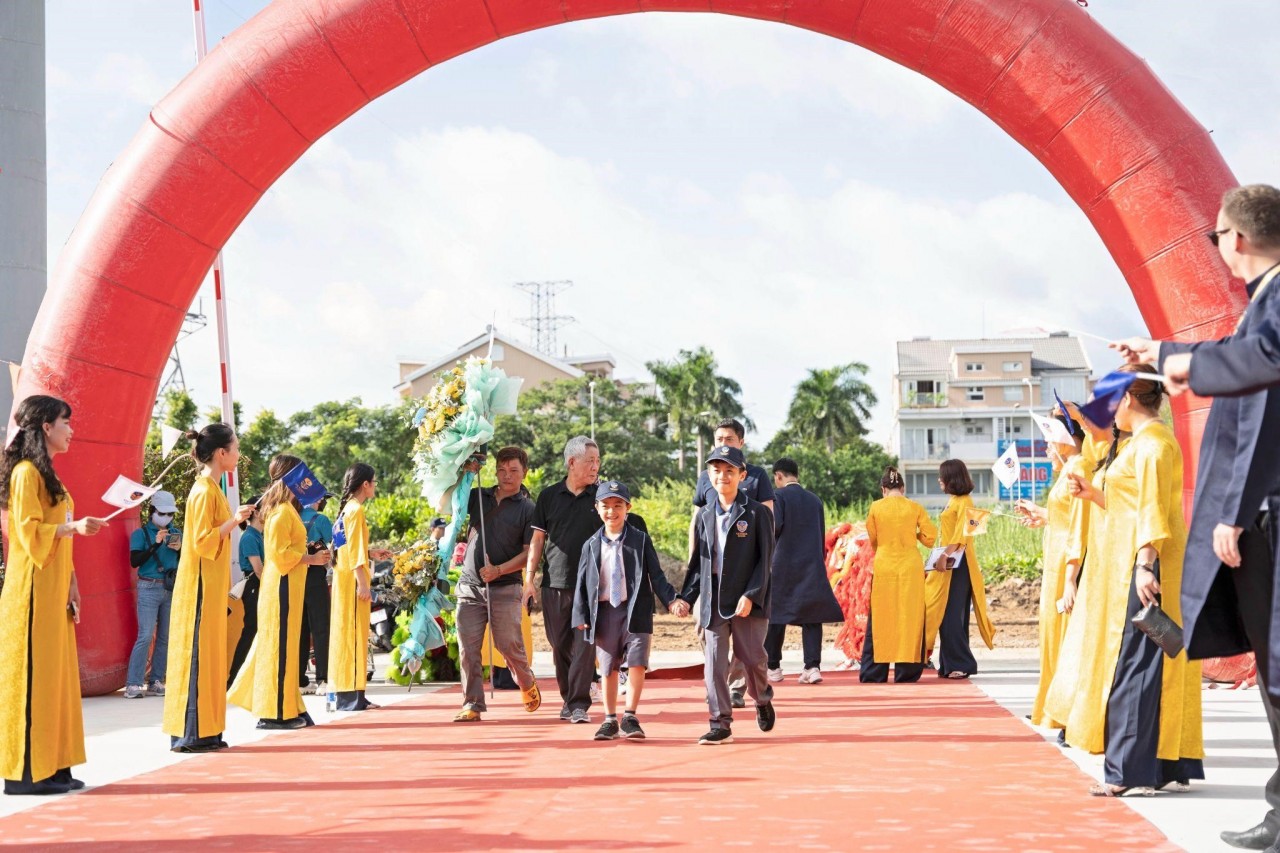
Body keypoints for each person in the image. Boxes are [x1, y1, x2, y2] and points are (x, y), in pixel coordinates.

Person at [1062, 365, 1204, 796]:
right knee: (1153, 660)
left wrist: (1145, 564)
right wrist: (1093, 494)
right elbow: (1135, 504)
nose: (1110, 413)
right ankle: (1163, 763)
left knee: (1138, 663)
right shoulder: (1144, 445)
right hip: (1142, 559)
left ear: (1128, 399)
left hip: (1147, 563)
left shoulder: (1154, 446)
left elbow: (1154, 513)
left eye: (1112, 402)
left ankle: (1129, 771)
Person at [0, 395, 105, 795]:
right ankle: (26, 771)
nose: (71, 430)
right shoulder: (27, 473)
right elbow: (26, 533)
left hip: (54, 591)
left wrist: (72, 580)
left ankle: (54, 763)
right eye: (66, 422)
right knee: (33, 679)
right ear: (46, 427)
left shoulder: (50, 477)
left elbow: (57, 531)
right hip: (31, 594)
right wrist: (72, 528)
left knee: (56, 680)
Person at [162, 424, 254, 753]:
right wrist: (235, 520)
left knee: (212, 658)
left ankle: (208, 729)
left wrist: (232, 520)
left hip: (212, 588)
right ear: (221, 453)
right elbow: (202, 542)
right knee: (198, 658)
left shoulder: (213, 488)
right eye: (236, 448)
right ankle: (191, 733)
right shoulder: (203, 491)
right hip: (200, 587)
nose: (239, 454)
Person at [574, 480, 686, 741]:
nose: (612, 512)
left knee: (637, 663)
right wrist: (581, 614)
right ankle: (610, 719)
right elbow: (582, 582)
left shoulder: (640, 540)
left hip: (635, 609)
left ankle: (631, 716)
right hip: (603, 612)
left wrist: (672, 600)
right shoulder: (590, 545)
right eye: (606, 506)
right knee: (608, 667)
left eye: (618, 506)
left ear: (628, 508)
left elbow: (656, 575)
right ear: (597, 508)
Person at [679, 445, 776, 745]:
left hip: (747, 599)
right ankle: (719, 722)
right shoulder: (704, 516)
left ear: (742, 476)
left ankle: (761, 697)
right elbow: (699, 562)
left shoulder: (758, 513)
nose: (723, 476)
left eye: (729, 471)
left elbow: (765, 561)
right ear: (709, 475)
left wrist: (750, 595)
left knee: (752, 658)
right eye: (717, 470)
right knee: (715, 664)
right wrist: (687, 596)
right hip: (713, 600)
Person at [228, 455, 331, 730]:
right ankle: (273, 712)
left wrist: (309, 555)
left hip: (287, 586)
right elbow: (279, 555)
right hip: (281, 586)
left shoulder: (283, 509)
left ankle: (287, 706)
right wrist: (311, 559)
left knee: (282, 649)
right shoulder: (282, 511)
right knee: (279, 650)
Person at [453, 447, 542, 722]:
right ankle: (472, 704)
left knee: (508, 646)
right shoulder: (479, 495)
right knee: (468, 648)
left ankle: (526, 681)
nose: (507, 476)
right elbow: (451, 502)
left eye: (514, 471)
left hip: (506, 588)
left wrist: (499, 570)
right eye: (502, 470)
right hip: (469, 587)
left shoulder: (529, 509)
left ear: (524, 472)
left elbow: (530, 553)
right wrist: (465, 473)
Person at [1016, 412, 1088, 735]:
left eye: (1049, 439)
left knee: (1064, 634)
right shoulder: (1068, 471)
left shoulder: (1078, 467)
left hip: (1066, 563)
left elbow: (1081, 525)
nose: (1046, 447)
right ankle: (1051, 705)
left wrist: (1071, 576)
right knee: (1050, 633)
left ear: (1066, 439)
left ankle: (1064, 710)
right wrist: (1043, 515)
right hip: (1056, 561)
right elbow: (1065, 516)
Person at [523, 436, 604, 724]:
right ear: (572, 462)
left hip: (591, 586)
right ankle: (569, 697)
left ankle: (578, 703)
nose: (596, 467)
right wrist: (529, 579)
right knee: (559, 644)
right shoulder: (548, 496)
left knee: (585, 645)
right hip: (554, 584)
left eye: (598, 461)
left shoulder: (602, 497)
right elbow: (537, 540)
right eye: (590, 461)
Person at [764, 458, 843, 684]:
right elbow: (821, 534)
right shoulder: (814, 500)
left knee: (775, 615)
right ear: (796, 474)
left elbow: (775, 528)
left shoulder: (778, 497)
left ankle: (773, 667)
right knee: (812, 616)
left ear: (778, 476)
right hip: (811, 563)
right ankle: (812, 667)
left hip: (782, 564)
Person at [327, 464, 394, 711]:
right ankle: (351, 697)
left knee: (350, 636)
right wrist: (363, 583)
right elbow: (352, 552)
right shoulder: (355, 511)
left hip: (344, 581)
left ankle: (355, 694)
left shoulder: (347, 510)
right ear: (365, 484)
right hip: (352, 583)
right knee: (353, 637)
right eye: (374, 481)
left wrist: (370, 552)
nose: (375, 486)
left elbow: (347, 549)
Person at [860, 466, 936, 683]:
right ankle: (907, 672)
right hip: (910, 567)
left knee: (881, 619)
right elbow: (930, 538)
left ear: (883, 489)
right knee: (909, 618)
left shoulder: (876, 507)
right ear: (902, 488)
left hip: (885, 565)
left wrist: (884, 548)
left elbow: (873, 538)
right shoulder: (914, 507)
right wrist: (915, 536)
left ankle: (874, 673)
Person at [924, 459, 995, 678]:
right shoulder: (954, 500)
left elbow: (962, 535)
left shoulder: (965, 500)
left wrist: (945, 555)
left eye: (942, 476)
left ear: (951, 478)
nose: (939, 480)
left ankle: (962, 664)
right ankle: (948, 664)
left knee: (952, 615)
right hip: (949, 560)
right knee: (947, 614)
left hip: (958, 562)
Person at [124, 490, 180, 699]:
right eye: (162, 513)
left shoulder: (175, 533)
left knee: (165, 637)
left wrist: (179, 549)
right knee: (146, 635)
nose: (167, 518)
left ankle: (156, 680)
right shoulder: (141, 534)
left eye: (170, 514)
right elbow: (135, 561)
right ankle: (133, 683)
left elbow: (183, 560)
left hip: (169, 587)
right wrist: (155, 544)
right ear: (152, 512)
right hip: (148, 586)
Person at [298, 495, 333, 695]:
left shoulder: (292, 516)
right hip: (315, 573)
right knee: (320, 628)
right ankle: (323, 678)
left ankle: (300, 680)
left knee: (301, 628)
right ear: (317, 501)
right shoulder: (320, 519)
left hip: (296, 573)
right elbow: (330, 543)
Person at [227, 495, 264, 686]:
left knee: (256, 631)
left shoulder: (260, 536)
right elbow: (258, 569)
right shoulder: (249, 537)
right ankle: (234, 678)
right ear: (256, 512)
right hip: (254, 587)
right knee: (251, 631)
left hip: (259, 586)